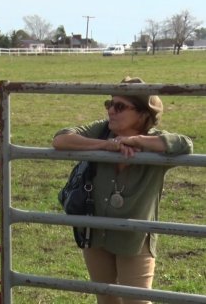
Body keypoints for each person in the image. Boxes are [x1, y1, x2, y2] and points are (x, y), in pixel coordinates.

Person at [52, 76, 193, 304]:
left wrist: (138, 142)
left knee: (136, 301)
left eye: (119, 106)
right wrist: (105, 146)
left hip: (134, 239)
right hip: (95, 233)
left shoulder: (154, 142)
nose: (111, 111)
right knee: (106, 300)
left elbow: (185, 144)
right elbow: (60, 139)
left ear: (143, 115)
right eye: (109, 104)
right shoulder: (102, 131)